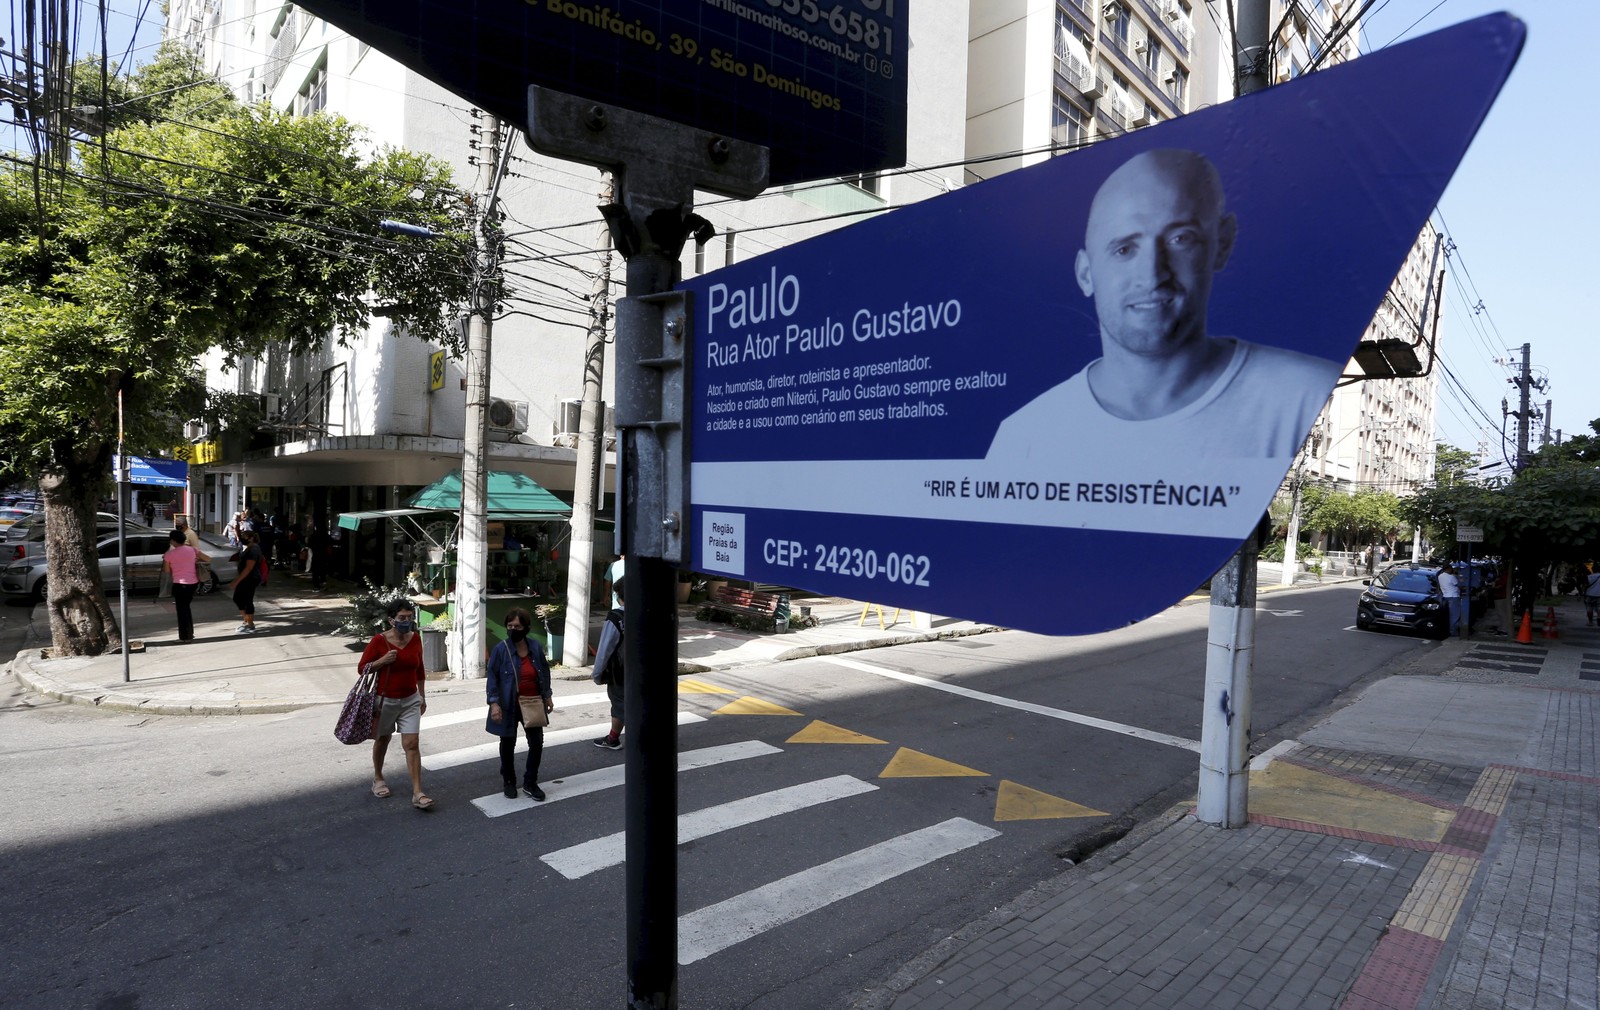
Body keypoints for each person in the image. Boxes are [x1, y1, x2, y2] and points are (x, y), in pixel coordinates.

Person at [987, 148, 1340, 459]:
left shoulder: (1301, 396)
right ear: (1085, 273)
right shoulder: (1024, 438)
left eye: (1179, 239)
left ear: (1223, 244)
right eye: (1124, 249)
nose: (1153, 274)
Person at [358, 599, 432, 810]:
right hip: (385, 700)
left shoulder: (416, 639)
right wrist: (382, 662)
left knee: (412, 743)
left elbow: (419, 669)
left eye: (409, 618)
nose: (406, 621)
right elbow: (362, 668)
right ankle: (378, 778)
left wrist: (422, 696)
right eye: (402, 618)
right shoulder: (379, 641)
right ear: (391, 620)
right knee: (383, 739)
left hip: (410, 699)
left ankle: (418, 792)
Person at [485, 607, 554, 801]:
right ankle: (509, 781)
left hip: (532, 703)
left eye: (517, 626)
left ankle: (530, 782)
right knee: (507, 743)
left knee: (536, 743)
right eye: (510, 625)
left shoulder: (535, 647)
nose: (513, 629)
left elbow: (544, 671)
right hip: (508, 704)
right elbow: (492, 677)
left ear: (526, 627)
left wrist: (547, 695)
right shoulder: (501, 650)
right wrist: (494, 703)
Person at [161, 529, 210, 642]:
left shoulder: (169, 555)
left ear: (173, 541)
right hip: (193, 583)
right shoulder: (193, 550)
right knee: (186, 608)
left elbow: (167, 571)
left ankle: (185, 637)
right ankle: (189, 633)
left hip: (180, 584)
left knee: (182, 611)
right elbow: (208, 559)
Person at [593, 577, 625, 751]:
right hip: (646, 671)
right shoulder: (648, 611)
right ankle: (613, 738)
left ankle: (613, 739)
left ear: (618, 595)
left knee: (620, 703)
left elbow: (604, 649)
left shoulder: (615, 618)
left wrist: (597, 674)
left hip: (621, 672)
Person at [228, 530, 264, 634]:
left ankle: (250, 625)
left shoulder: (254, 549)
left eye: (244, 536)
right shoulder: (249, 548)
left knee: (247, 600)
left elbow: (249, 568)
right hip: (247, 578)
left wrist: (236, 581)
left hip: (250, 578)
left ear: (251, 538)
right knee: (238, 599)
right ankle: (247, 621)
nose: (242, 538)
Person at [1438, 562, 1465, 638]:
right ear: (1449, 569)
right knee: (1455, 615)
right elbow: (1460, 586)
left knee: (1449, 615)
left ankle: (1449, 630)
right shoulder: (1451, 577)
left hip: (1445, 596)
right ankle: (1453, 631)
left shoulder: (1440, 576)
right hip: (1454, 596)